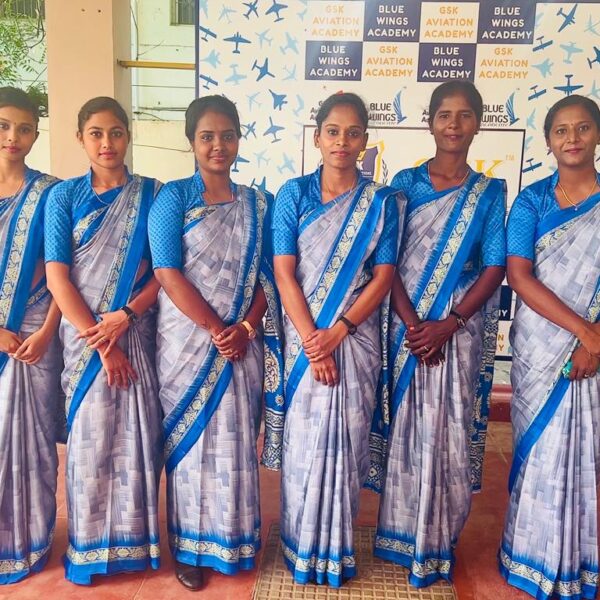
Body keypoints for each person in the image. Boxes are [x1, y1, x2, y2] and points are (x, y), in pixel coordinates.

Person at [370, 80, 506, 587]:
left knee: (447, 431)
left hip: (458, 331)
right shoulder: (404, 184)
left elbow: (495, 266)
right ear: (430, 122)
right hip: (407, 329)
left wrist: (450, 324)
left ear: (478, 123)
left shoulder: (489, 192)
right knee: (408, 428)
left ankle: (436, 542)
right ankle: (399, 535)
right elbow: (387, 262)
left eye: (464, 115)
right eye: (444, 114)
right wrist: (413, 324)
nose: (454, 124)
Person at [148, 95, 282, 591]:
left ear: (239, 140)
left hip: (241, 345)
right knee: (188, 444)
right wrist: (216, 329)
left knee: (234, 441)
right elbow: (166, 271)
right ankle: (189, 550)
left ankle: (232, 540)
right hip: (187, 344)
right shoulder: (174, 198)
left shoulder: (259, 203)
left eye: (227, 135)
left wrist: (244, 328)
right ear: (191, 142)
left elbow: (270, 276)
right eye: (207, 136)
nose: (218, 145)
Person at [268, 92, 402, 587]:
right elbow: (284, 272)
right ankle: (300, 546)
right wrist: (312, 341)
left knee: (346, 444)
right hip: (305, 343)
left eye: (352, 132)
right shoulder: (293, 194)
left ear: (364, 140)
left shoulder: (383, 202)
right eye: (333, 131)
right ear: (317, 136)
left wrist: (338, 332)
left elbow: (383, 277)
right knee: (304, 446)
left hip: (354, 340)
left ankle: (335, 549)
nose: (342, 141)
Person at [45, 97, 162, 585]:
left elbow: (163, 273)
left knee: (136, 439)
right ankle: (89, 548)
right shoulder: (64, 198)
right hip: (86, 341)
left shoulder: (154, 195)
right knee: (90, 445)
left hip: (135, 332)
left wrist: (126, 317)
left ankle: (134, 545)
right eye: (96, 133)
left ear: (128, 136)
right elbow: (58, 277)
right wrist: (103, 344)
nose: (107, 143)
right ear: (80, 138)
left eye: (116, 132)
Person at [499, 95, 600, 599]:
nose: (572, 138)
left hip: (595, 349)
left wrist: (595, 342)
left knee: (582, 455)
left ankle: (576, 562)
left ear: (598, 135)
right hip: (542, 348)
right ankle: (528, 555)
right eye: (561, 130)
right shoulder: (532, 201)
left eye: (582, 128)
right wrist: (585, 332)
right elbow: (519, 276)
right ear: (548, 141)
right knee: (539, 449)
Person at [0, 87, 61, 584]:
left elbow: (68, 273)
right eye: (3, 126)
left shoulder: (51, 194)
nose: (13, 137)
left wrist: (45, 332)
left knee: (34, 446)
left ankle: (30, 540)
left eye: (24, 128)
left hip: (37, 337)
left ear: (36, 135)